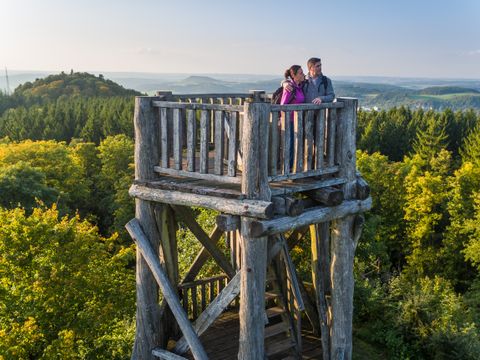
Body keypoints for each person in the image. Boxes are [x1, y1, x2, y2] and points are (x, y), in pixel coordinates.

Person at [281, 65, 306, 168]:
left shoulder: (299, 86)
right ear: (293, 75)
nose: (303, 74)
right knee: (290, 144)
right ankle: (288, 167)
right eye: (300, 73)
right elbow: (283, 105)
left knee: (296, 143)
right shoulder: (290, 88)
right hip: (290, 120)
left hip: (298, 121)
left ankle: (293, 166)